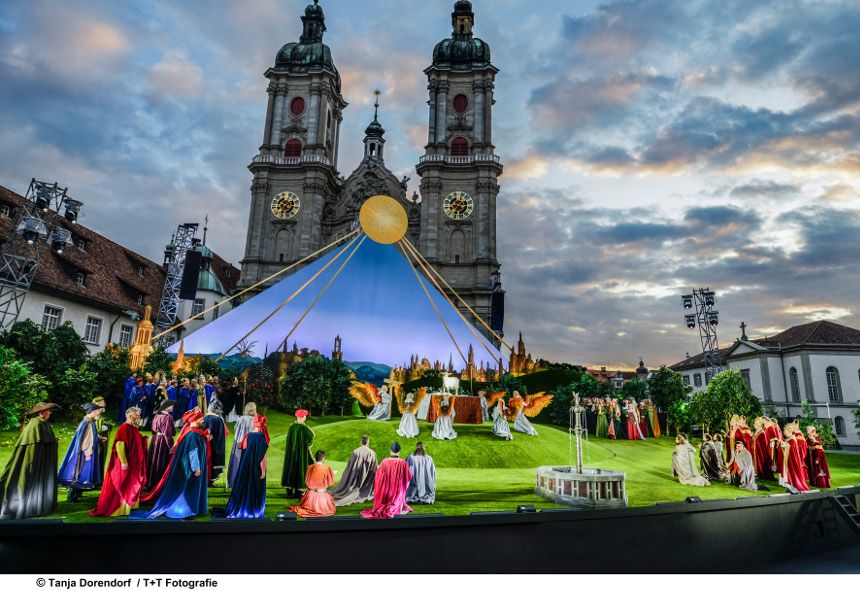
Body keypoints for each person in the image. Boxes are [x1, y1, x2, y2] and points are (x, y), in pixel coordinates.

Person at [143, 410, 210, 519]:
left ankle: (190, 509)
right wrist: (196, 467)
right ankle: (186, 511)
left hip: (190, 466)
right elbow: (193, 451)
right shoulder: (193, 434)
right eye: (200, 419)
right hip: (190, 467)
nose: (203, 420)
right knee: (188, 488)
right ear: (194, 420)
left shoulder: (192, 432)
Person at [0, 402, 60, 520]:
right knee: (27, 480)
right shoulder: (36, 424)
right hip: (33, 461)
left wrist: (52, 441)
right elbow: (35, 446)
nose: (50, 413)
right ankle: (28, 505)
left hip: (38, 460)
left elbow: (44, 441)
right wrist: (52, 442)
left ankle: (37, 505)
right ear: (41, 413)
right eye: (48, 411)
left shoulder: (41, 423)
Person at [90, 406, 147, 517]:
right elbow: (119, 444)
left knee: (130, 482)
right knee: (122, 482)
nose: (139, 416)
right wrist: (124, 461)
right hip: (125, 461)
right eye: (137, 414)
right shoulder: (124, 428)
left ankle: (129, 505)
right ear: (131, 416)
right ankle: (119, 508)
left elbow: (135, 442)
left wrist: (144, 439)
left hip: (133, 462)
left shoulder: (133, 428)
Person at [58, 402, 105, 502]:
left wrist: (99, 438)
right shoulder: (88, 423)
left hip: (84, 452)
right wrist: (88, 453)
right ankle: (72, 497)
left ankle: (76, 495)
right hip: (84, 453)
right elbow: (86, 440)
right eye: (97, 411)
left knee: (81, 473)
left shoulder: (87, 421)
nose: (98, 413)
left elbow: (91, 435)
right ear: (91, 412)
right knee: (80, 474)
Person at [225, 415, 270, 519]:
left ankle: (241, 509)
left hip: (245, 467)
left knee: (244, 486)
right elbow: (262, 456)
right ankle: (253, 511)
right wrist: (263, 470)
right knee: (254, 487)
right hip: (255, 468)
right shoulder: (261, 437)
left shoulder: (248, 435)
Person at [360, 442, 413, 519]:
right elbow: (408, 476)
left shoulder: (385, 461)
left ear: (391, 451)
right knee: (399, 493)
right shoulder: (402, 462)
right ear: (399, 451)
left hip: (385, 491)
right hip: (397, 492)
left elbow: (378, 476)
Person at [331, 435, 378, 506]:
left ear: (361, 442)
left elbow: (349, 468)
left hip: (355, 479)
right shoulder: (372, 453)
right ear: (368, 442)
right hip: (367, 483)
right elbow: (374, 469)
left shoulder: (355, 452)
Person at [288, 450, 336, 518]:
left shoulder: (310, 467)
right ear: (323, 458)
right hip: (323, 498)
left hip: (310, 498)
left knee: (303, 507)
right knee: (329, 508)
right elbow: (330, 482)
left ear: (316, 458)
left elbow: (307, 481)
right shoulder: (327, 468)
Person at [281, 409, 315, 497]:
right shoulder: (305, 428)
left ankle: (289, 491)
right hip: (301, 454)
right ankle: (299, 492)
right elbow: (312, 437)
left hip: (291, 454)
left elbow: (288, 440)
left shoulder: (291, 427)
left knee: (290, 468)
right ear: (303, 417)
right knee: (300, 469)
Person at [146, 399, 176, 489]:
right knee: (161, 460)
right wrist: (171, 446)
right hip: (163, 441)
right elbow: (167, 433)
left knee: (154, 460)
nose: (173, 407)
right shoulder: (168, 417)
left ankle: (151, 482)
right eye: (171, 406)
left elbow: (153, 429)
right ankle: (160, 483)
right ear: (167, 408)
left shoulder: (156, 415)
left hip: (155, 440)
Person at [228, 402, 257, 488]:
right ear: (253, 410)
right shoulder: (254, 420)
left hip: (238, 443)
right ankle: (247, 483)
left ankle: (235, 482)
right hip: (249, 443)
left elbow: (235, 428)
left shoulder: (240, 419)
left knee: (237, 462)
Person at [203, 399, 229, 485]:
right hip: (215, 445)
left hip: (205, 445)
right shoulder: (218, 420)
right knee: (215, 461)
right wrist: (220, 449)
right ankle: (211, 480)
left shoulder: (204, 417)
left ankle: (205, 480)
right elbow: (221, 435)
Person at [780, 423, 810, 492]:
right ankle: (791, 487)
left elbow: (791, 450)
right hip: (788, 460)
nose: (784, 433)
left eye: (785, 431)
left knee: (793, 474)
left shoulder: (792, 439)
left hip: (792, 461)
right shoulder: (789, 438)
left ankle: (796, 486)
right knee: (788, 474)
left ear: (789, 431)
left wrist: (783, 445)